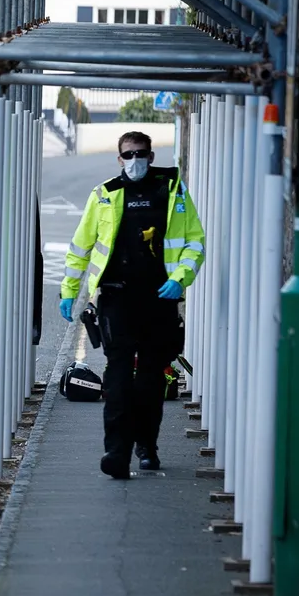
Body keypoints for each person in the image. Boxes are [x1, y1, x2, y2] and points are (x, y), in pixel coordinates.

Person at [59, 131, 205, 479]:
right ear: (119, 158)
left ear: (151, 156)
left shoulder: (172, 192)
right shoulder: (105, 195)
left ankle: (147, 447)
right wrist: (69, 290)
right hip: (117, 299)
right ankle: (117, 452)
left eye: (141, 153)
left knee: (151, 381)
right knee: (119, 377)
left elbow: (195, 243)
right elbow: (80, 247)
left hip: (159, 299)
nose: (135, 160)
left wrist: (180, 277)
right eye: (128, 154)